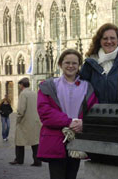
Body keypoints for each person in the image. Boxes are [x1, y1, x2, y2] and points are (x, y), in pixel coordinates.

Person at [37, 49, 98, 179]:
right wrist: (68, 122)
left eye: (74, 63)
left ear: (79, 65)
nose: (71, 66)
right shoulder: (48, 85)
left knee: (72, 176)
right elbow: (44, 112)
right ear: (60, 64)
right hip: (55, 139)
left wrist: (84, 123)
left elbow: (94, 110)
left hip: (76, 139)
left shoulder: (87, 87)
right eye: (67, 63)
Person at [80, 23, 118, 103]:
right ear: (99, 41)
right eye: (105, 38)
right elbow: (80, 90)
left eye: (112, 38)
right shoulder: (90, 64)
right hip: (95, 113)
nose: (109, 41)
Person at [9, 78, 42, 166]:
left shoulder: (23, 94)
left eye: (19, 85)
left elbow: (21, 110)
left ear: (21, 85)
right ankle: (37, 161)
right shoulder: (34, 93)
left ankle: (19, 159)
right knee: (35, 142)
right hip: (35, 121)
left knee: (19, 141)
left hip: (24, 122)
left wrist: (18, 120)